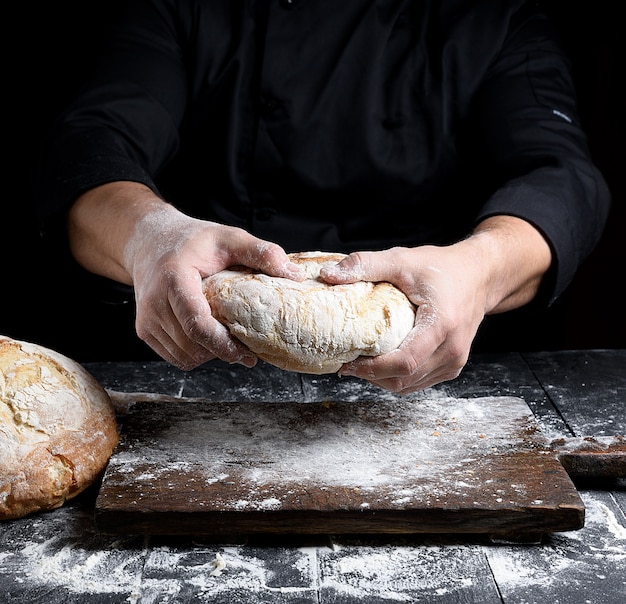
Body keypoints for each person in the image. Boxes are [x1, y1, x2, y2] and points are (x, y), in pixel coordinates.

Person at [33, 0, 610, 394]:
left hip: (424, 387)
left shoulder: (491, 16)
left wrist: (479, 270)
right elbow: (88, 150)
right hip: (199, 375)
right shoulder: (187, 8)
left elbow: (561, 176)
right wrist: (149, 238)